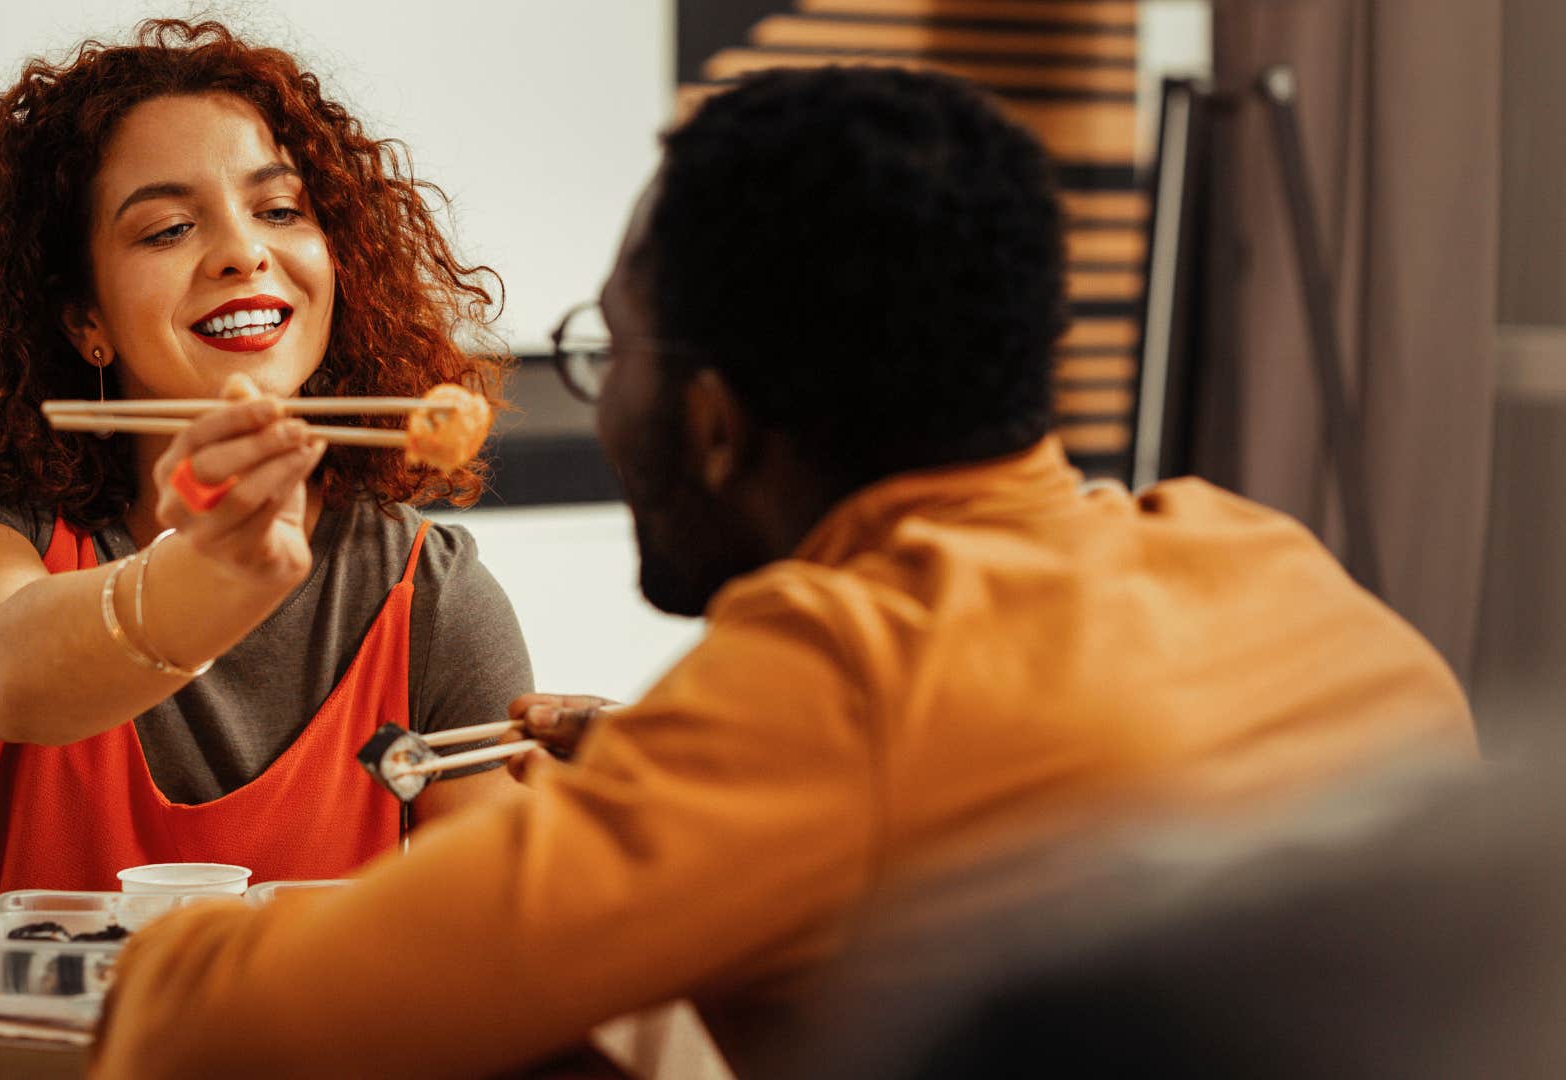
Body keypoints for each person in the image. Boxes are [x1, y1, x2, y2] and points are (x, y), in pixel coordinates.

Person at [87, 66, 1475, 1077]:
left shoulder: (838, 680)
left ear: (713, 418)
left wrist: (149, 963)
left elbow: (220, 1031)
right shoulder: (1265, 561)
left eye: (606, 349)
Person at [0, 18, 531, 978]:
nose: (245, 253)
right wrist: (207, 577)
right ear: (86, 320)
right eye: (168, 227)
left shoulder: (428, 590)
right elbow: (1, 672)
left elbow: (490, 938)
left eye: (281, 210)